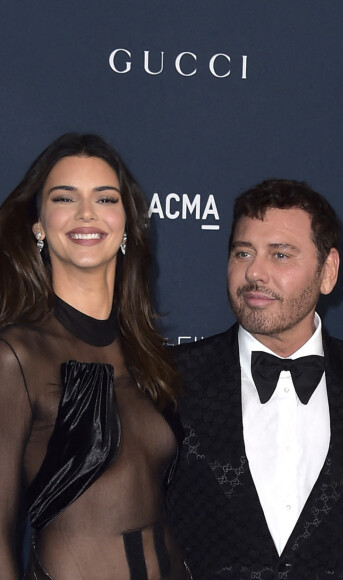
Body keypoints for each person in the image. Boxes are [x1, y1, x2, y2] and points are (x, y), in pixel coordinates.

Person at [167, 178, 343, 579]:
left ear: (328, 271)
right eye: (243, 252)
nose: (254, 272)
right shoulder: (170, 377)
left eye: (280, 255)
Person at [0, 133, 190, 579]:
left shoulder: (146, 355)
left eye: (105, 198)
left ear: (126, 224)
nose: (87, 212)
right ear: (39, 225)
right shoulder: (17, 356)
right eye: (65, 197)